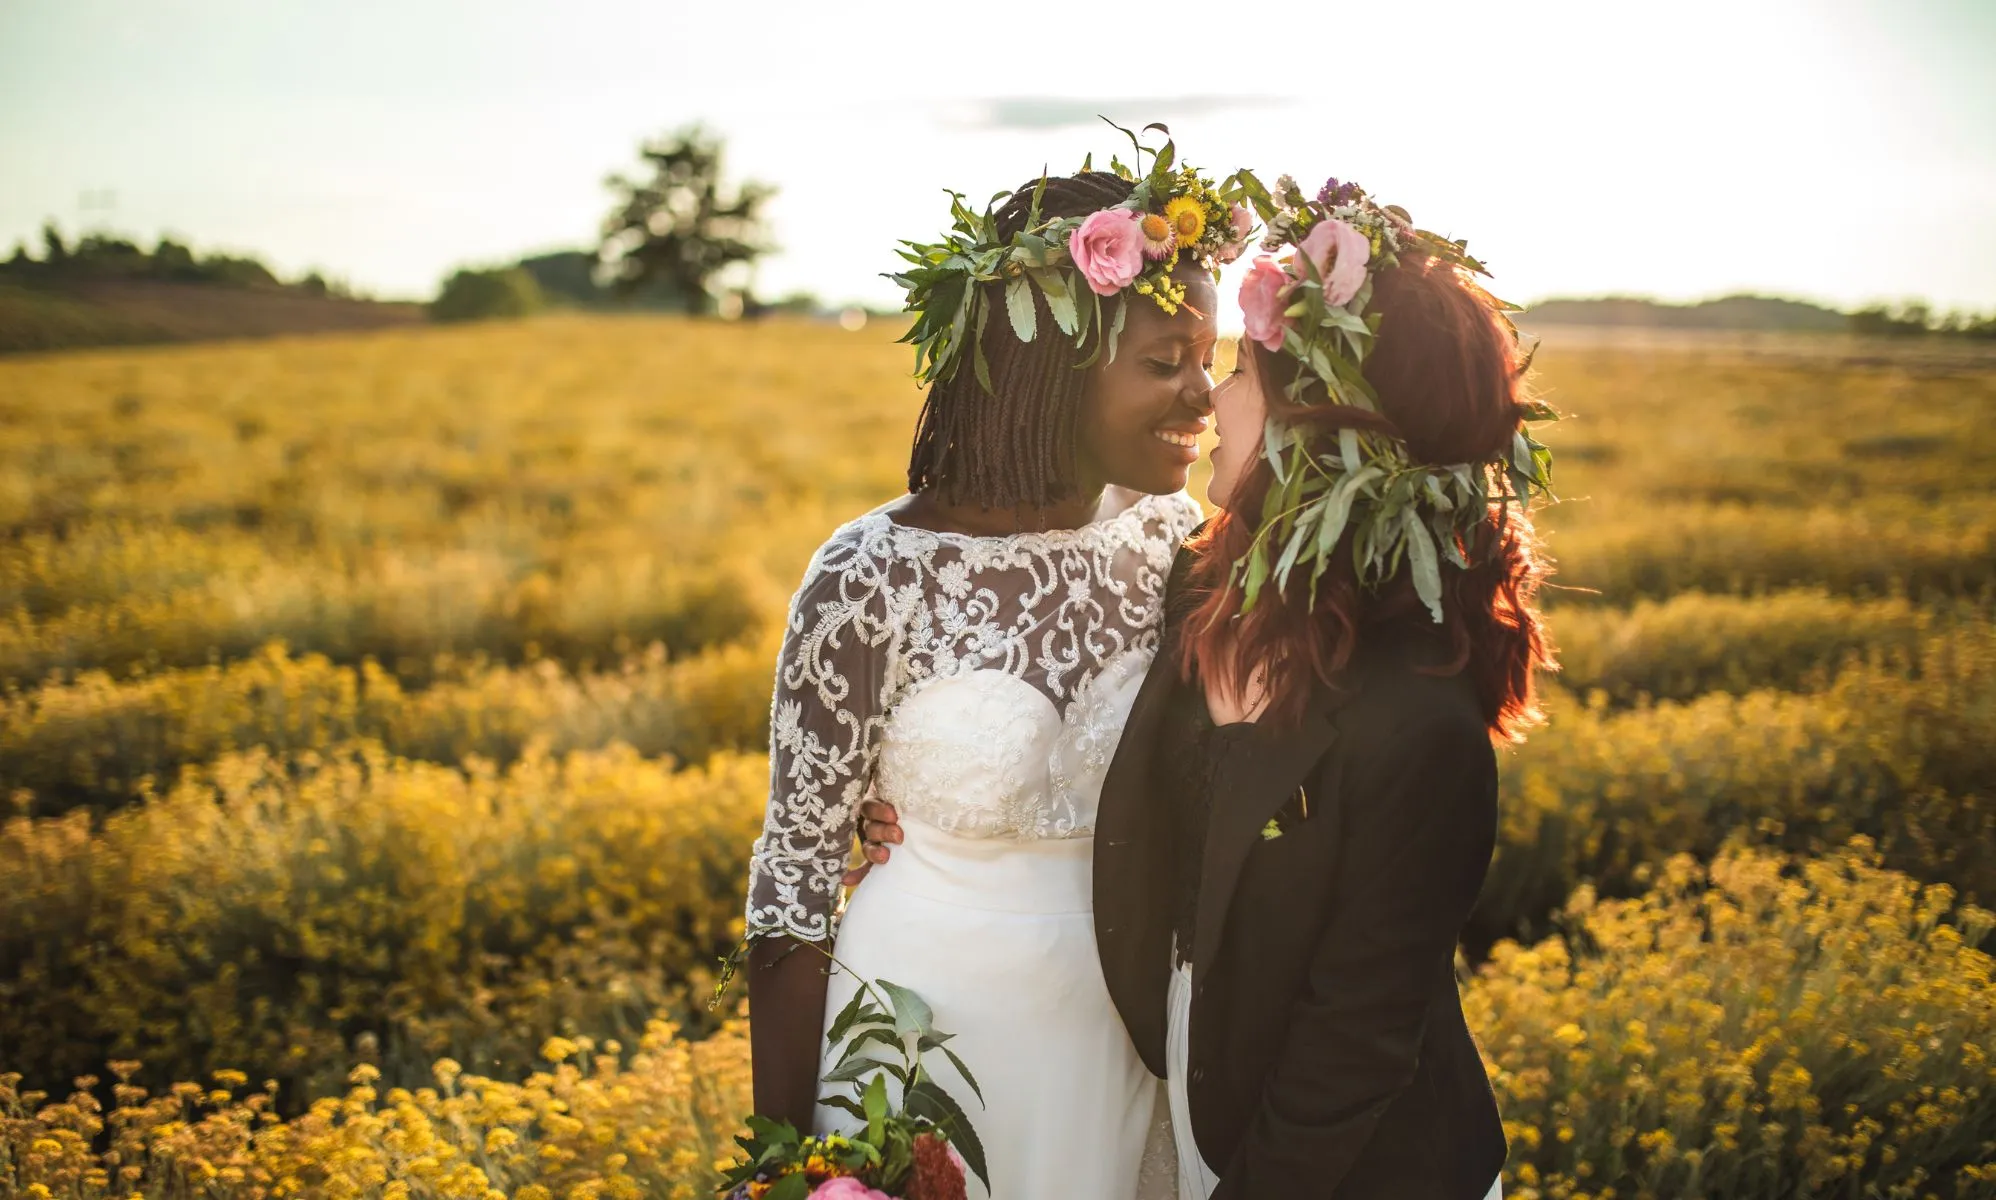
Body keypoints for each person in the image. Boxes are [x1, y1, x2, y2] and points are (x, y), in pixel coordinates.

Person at [859, 175, 1556, 1199]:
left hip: (1355, 1165)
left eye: (1241, 372)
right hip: (1190, 1098)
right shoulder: (1200, 580)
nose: (1213, 400)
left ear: (1324, 430)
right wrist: (907, 814)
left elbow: (1355, 1045)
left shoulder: (1417, 716)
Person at [743, 138, 1254, 1199]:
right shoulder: (867, 574)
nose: (1202, 398)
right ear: (1047, 368)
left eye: (1209, 358)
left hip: (1129, 1039)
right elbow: (791, 892)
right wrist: (783, 1168)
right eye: (1164, 363)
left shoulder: (1176, 537)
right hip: (920, 1041)